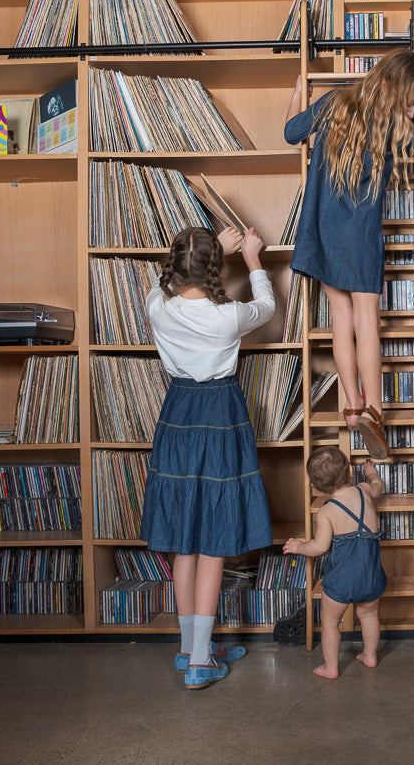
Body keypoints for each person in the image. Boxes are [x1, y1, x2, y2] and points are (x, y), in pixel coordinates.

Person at [140, 225, 275, 688]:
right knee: (214, 536)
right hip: (219, 413)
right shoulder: (227, 317)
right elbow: (267, 306)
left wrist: (209, 246)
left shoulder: (157, 305)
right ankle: (200, 661)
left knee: (185, 537)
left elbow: (160, 281)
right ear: (214, 268)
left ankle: (188, 648)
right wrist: (251, 257)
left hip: (177, 412)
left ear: (176, 265)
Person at [284, 49, 414, 460]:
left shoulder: (335, 102)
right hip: (363, 234)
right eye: (411, 102)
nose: (412, 111)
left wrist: (300, 91)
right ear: (389, 85)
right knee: (368, 321)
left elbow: (290, 132)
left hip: (323, 231)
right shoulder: (398, 126)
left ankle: (352, 406)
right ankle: (375, 410)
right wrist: (411, 118)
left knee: (341, 321)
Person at [284, 448, 387, 679]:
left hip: (341, 580)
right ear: (350, 471)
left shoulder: (327, 511)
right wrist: (371, 474)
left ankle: (331, 667)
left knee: (330, 621)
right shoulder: (364, 491)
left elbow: (319, 547)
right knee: (369, 616)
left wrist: (299, 547)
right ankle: (370, 656)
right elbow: (378, 487)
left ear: (316, 486)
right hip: (370, 576)